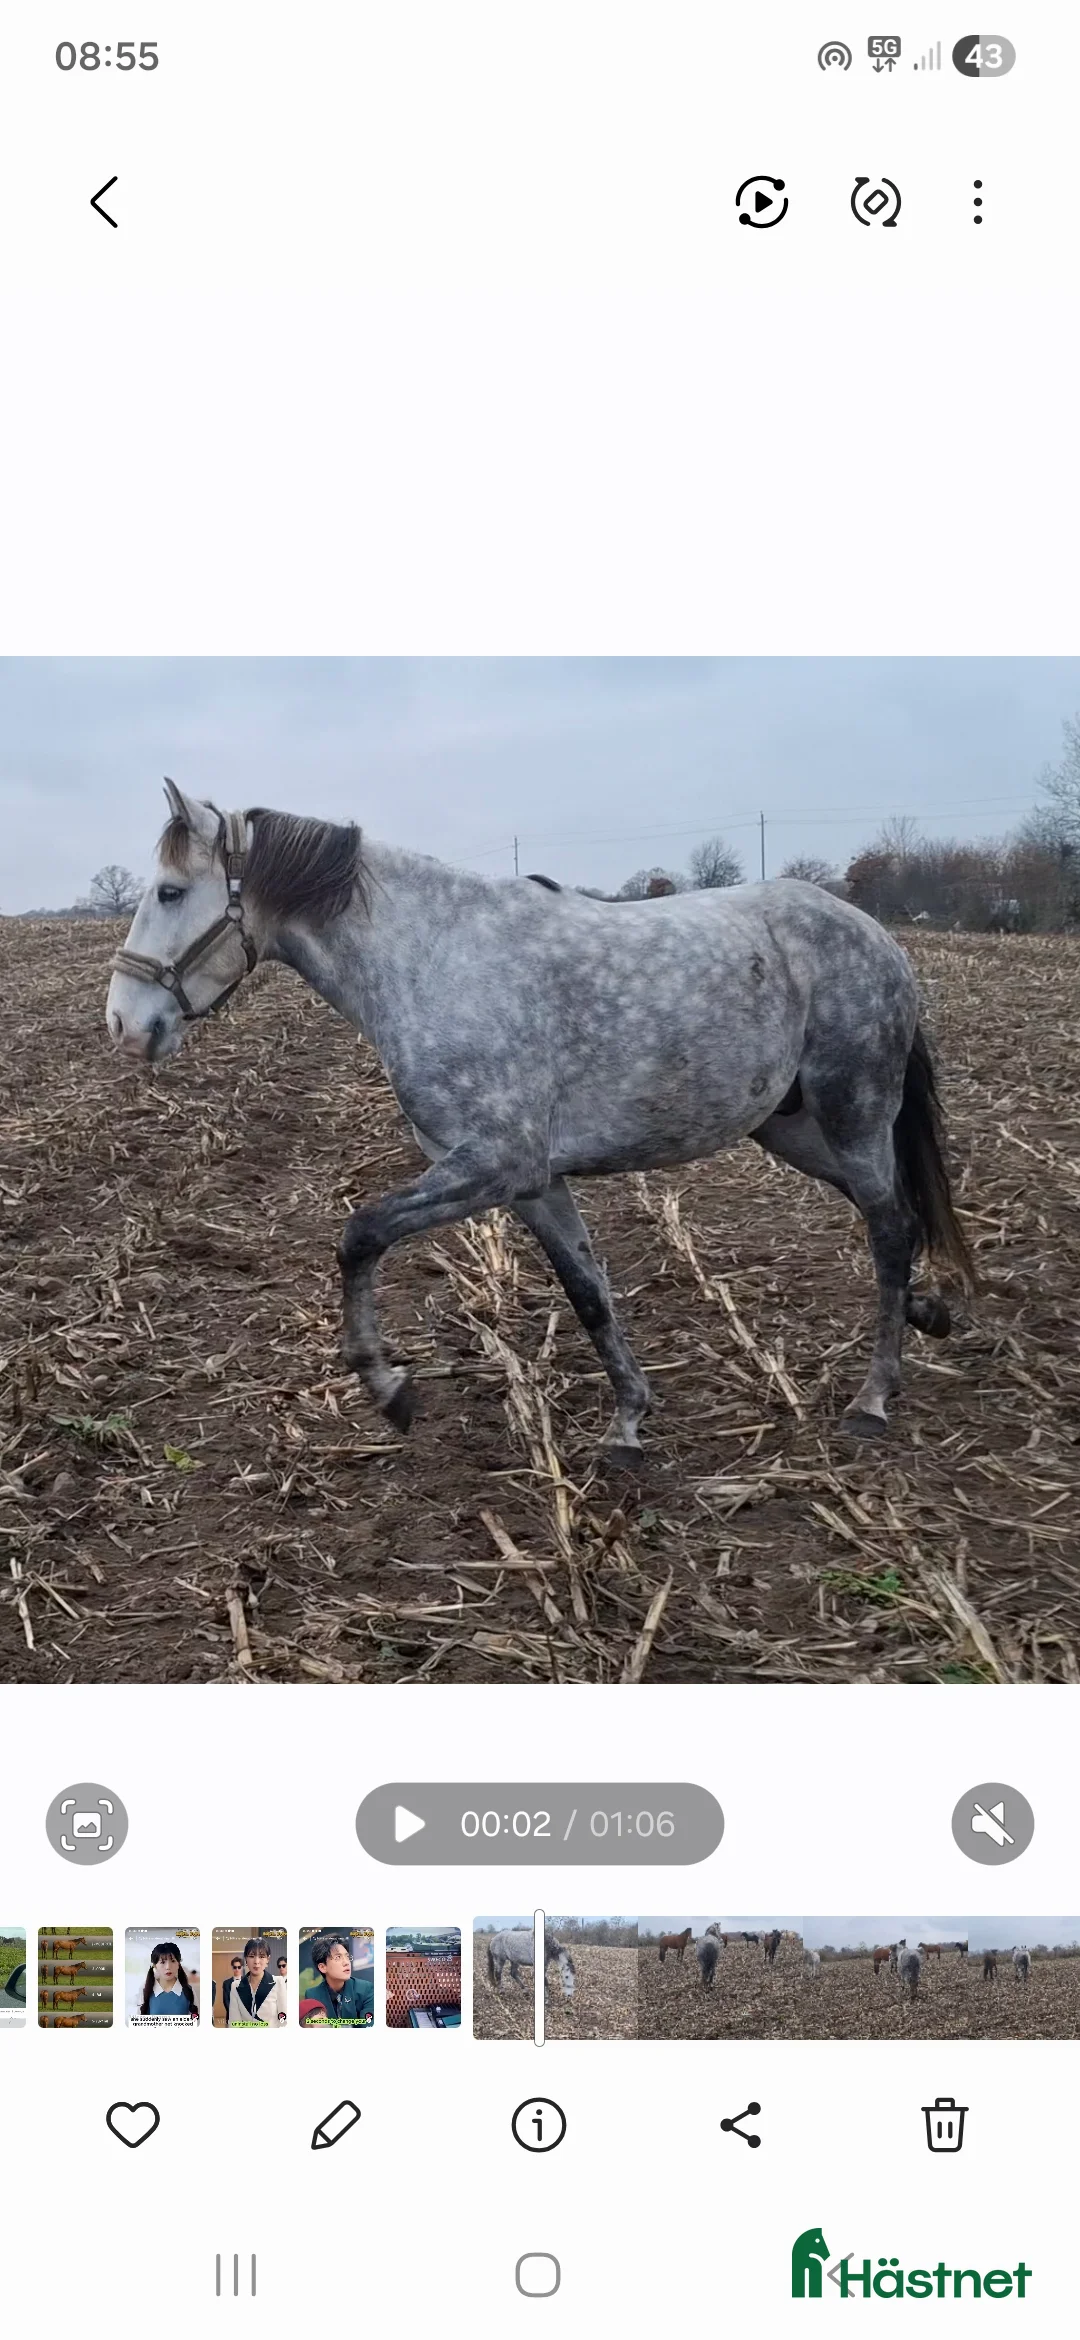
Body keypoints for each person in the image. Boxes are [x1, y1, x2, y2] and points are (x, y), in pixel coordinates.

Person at [302, 1935, 373, 2027]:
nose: (346, 1962)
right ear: (323, 1967)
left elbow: (369, 2026)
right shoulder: (313, 1995)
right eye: (338, 1957)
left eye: (347, 1957)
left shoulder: (365, 1989)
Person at [228, 1937, 287, 2025]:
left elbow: (284, 2021)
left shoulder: (278, 1982)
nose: (256, 1961)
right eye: (251, 1956)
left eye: (262, 1956)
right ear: (246, 1960)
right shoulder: (235, 1986)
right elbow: (234, 2023)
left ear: (268, 1959)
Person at [139, 1941, 198, 2020]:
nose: (168, 1967)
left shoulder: (189, 1991)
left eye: (173, 1961)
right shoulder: (145, 1990)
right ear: (155, 1966)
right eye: (162, 1962)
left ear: (178, 1964)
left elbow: (196, 2021)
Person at [221, 1953, 243, 2024]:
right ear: (232, 1968)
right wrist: (233, 2012)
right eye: (235, 1967)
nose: (237, 1969)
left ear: (242, 1967)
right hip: (231, 2015)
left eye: (239, 1967)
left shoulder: (249, 1981)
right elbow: (226, 2000)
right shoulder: (226, 1983)